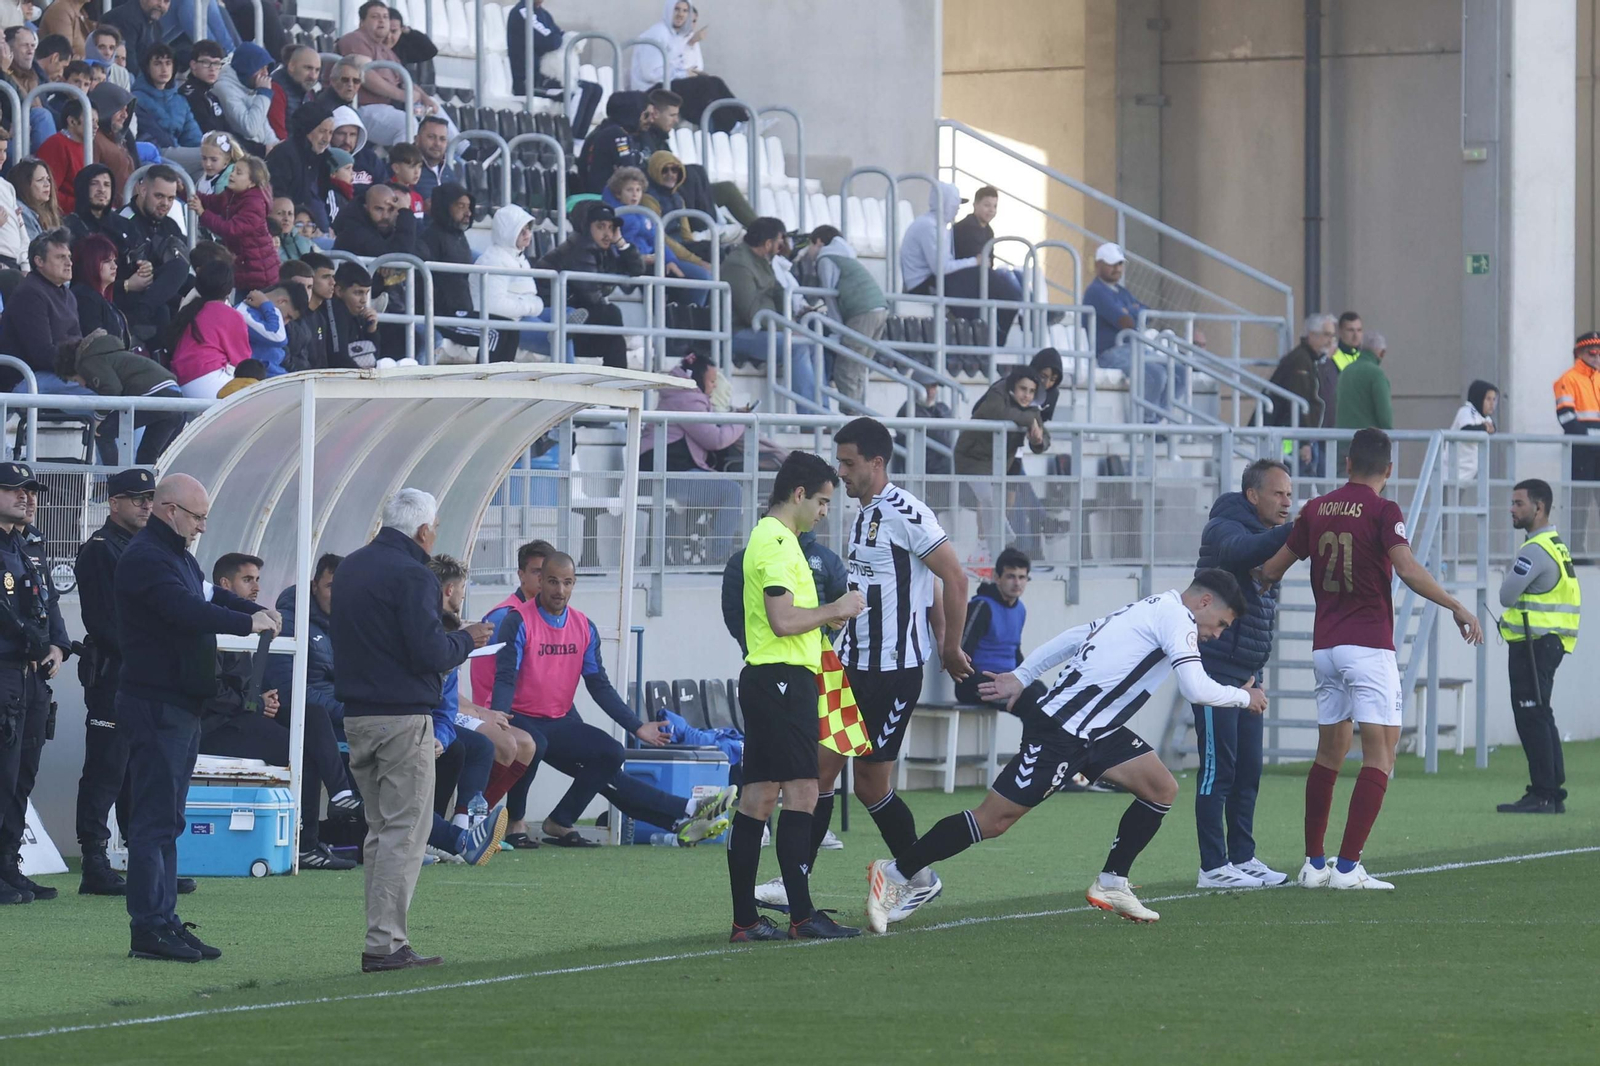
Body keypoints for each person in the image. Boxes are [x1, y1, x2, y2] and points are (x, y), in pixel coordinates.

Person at [865, 570, 1265, 932]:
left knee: (1161, 787)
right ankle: (898, 872)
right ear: (1205, 602)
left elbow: (1077, 635)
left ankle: (1112, 882)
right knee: (994, 820)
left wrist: (1022, 676)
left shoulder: (1152, 605)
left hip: (1098, 731)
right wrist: (1243, 698)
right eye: (1222, 624)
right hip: (1061, 731)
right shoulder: (1177, 618)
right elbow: (1194, 687)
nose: (1218, 633)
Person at [756, 418, 972, 917]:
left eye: (849, 463)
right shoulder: (863, 513)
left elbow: (953, 578)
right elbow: (927, 587)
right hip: (852, 665)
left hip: (892, 673)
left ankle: (917, 877)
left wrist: (950, 647)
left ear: (877, 462)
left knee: (868, 782)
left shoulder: (905, 512)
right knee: (821, 771)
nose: (841, 471)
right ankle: (798, 883)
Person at [1255, 427, 1484, 891]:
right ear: (1389, 471)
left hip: (1325, 648)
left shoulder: (1315, 509)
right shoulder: (1384, 510)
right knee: (1381, 754)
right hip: (1368, 646)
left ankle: (1313, 864)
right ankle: (1347, 868)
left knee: (1328, 754)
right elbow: (1406, 568)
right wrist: (1456, 605)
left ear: (1346, 464)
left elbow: (1270, 571)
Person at [115, 473, 280, 959]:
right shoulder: (147, 558)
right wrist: (246, 622)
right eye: (198, 516)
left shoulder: (175, 555)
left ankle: (162, 920)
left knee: (168, 818)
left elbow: (207, 594)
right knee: (154, 821)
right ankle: (148, 927)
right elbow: (185, 609)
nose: (203, 526)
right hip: (156, 702)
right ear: (170, 511)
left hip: (178, 704)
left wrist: (252, 608)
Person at [334, 488, 491, 972]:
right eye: (435, 529)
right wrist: (466, 638)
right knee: (405, 833)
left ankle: (382, 938)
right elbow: (429, 655)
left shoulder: (351, 567)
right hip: (403, 718)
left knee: (381, 831)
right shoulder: (415, 575)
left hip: (357, 715)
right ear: (424, 531)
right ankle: (385, 943)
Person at [487, 550, 735, 847]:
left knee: (612, 755)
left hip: (560, 721)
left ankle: (566, 820)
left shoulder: (584, 627)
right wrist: (499, 715)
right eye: (553, 582)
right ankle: (517, 822)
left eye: (567, 583)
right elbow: (505, 677)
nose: (560, 590)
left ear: (574, 583)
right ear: (540, 581)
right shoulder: (517, 621)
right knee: (535, 746)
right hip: (523, 718)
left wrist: (636, 726)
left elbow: (599, 685)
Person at [724, 452, 865, 942]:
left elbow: (785, 617)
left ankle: (746, 919)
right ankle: (802, 917)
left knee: (760, 796)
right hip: (782, 679)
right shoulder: (779, 543)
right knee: (802, 791)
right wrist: (835, 608)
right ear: (799, 494)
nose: (826, 511)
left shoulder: (774, 539)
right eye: (823, 501)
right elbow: (783, 622)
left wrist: (826, 615)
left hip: (773, 678)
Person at [200, 552, 361, 871]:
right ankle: (308, 845)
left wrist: (262, 699)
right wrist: (257, 702)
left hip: (244, 716)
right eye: (248, 580)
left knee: (310, 716)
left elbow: (247, 685)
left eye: (258, 580)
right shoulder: (211, 623)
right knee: (299, 747)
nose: (256, 588)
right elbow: (210, 691)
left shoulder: (251, 625)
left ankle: (341, 792)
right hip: (216, 727)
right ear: (223, 584)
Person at [1190, 458, 1295, 889]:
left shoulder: (1265, 536)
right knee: (1220, 769)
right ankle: (1212, 866)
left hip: (1249, 671)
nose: (1287, 502)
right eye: (1278, 493)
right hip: (1216, 670)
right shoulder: (1224, 528)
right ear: (1252, 495)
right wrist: (1294, 532)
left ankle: (1242, 857)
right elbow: (1241, 553)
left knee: (1249, 769)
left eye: (1290, 494)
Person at [72, 467, 157, 897]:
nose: (145, 504)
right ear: (113, 502)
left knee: (136, 772)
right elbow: (106, 623)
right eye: (136, 497)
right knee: (106, 770)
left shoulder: (141, 547)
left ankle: (144, 863)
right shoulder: (102, 550)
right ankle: (94, 862)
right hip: (115, 675)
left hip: (139, 675)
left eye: (150, 497)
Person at [0, 462, 72, 905]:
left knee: (21, 777)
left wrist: (57, 647)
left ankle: (9, 866)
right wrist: (33, 641)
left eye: (31, 492)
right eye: (14, 490)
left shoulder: (26, 547)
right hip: (6, 671)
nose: (27, 498)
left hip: (30, 679)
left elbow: (50, 605)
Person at [1495, 479, 1577, 815]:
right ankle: (1552, 792)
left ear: (1538, 507)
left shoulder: (1534, 550)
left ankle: (1543, 793)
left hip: (1534, 644)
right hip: (1551, 642)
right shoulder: (1557, 545)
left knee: (1531, 715)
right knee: (1541, 714)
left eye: (1518, 503)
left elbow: (1506, 595)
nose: (1512, 510)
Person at [470, 538, 553, 848]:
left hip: (528, 707)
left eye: (550, 574)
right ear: (521, 575)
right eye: (537, 572)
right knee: (535, 744)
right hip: (496, 706)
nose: (544, 580)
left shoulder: (546, 614)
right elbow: (492, 676)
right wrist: (491, 710)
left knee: (600, 751)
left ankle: (503, 819)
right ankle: (497, 819)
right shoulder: (507, 615)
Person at [638, 351, 743, 559]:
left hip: (662, 474)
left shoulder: (680, 395)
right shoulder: (687, 399)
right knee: (732, 491)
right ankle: (719, 557)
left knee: (721, 486)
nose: (714, 386)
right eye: (712, 381)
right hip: (662, 477)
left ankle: (700, 552)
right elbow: (716, 440)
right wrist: (743, 420)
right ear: (696, 379)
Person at [900, 182, 1024, 345]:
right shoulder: (929, 227)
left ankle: (990, 334)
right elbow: (941, 268)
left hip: (933, 279)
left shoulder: (940, 226)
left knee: (988, 280)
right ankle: (984, 337)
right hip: (922, 285)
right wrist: (975, 261)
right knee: (983, 277)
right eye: (954, 204)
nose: (957, 208)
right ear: (944, 204)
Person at [532, 201, 643, 368]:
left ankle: (614, 390)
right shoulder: (579, 249)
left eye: (611, 227)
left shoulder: (602, 251)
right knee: (611, 314)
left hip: (577, 315)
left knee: (616, 342)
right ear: (586, 228)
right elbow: (591, 296)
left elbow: (636, 270)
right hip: (552, 316)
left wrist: (620, 241)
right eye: (601, 227)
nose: (607, 233)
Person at [1083, 241, 1183, 423]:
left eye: (1120, 263)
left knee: (1179, 372)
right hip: (1109, 352)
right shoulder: (1096, 292)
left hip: (1133, 347)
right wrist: (1133, 311)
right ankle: (1147, 423)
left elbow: (1148, 314)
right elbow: (1127, 322)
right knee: (1156, 374)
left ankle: (1156, 420)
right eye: (1112, 263)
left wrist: (1132, 312)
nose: (1117, 268)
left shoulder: (1121, 292)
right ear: (1098, 265)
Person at [727, 216, 820, 405]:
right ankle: (811, 417)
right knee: (796, 346)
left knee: (813, 343)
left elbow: (779, 293)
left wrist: (791, 323)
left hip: (767, 330)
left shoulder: (763, 261)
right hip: (740, 333)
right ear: (768, 243)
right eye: (780, 242)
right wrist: (784, 328)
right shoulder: (739, 264)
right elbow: (751, 313)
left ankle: (823, 412)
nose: (782, 246)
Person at [954, 366, 1050, 548]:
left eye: (1031, 391)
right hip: (972, 457)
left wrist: (1038, 440)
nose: (1027, 395)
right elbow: (999, 413)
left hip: (1000, 464)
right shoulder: (998, 392)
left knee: (1001, 504)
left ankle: (995, 547)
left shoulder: (1032, 407)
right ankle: (985, 547)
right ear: (1014, 386)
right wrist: (1030, 421)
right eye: (1023, 389)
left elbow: (1044, 437)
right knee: (987, 498)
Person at [338, 1, 456, 148]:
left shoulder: (386, 50)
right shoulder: (355, 39)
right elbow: (366, 76)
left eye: (385, 17)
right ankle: (403, 168)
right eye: (375, 17)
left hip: (386, 108)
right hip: (360, 107)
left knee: (434, 118)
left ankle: (463, 150)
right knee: (406, 123)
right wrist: (403, 96)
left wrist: (426, 99)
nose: (381, 20)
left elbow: (403, 79)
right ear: (362, 22)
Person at [418, 182, 514, 362]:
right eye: (461, 206)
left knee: (510, 329)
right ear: (445, 207)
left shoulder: (459, 236)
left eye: (469, 207)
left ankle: (503, 384)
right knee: (494, 332)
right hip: (441, 314)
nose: (468, 212)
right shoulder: (430, 238)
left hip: (460, 310)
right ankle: (486, 384)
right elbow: (422, 279)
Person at [57, 330, 186, 464]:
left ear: (76, 370)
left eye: (76, 380)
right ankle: (145, 484)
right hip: (175, 397)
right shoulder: (112, 354)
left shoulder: (87, 362)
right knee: (147, 456)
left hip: (155, 394)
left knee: (102, 433)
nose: (82, 385)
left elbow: (112, 389)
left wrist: (98, 418)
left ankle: (116, 481)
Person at [805, 225, 888, 407]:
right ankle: (858, 415)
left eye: (809, 245)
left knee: (846, 368)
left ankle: (852, 419)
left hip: (861, 312)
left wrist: (837, 330)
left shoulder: (825, 258)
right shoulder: (846, 256)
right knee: (858, 367)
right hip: (879, 309)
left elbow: (830, 296)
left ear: (818, 241)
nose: (808, 251)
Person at [111, 164, 192, 351]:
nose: (165, 204)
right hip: (128, 293)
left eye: (171, 198)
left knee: (200, 286)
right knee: (176, 274)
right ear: (142, 189)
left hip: (159, 294)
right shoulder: (122, 220)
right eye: (159, 196)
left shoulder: (170, 225)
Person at [631, 1, 744, 134]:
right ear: (668, 11)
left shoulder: (677, 35)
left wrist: (690, 70)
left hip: (668, 85)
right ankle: (734, 127)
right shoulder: (657, 34)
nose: (680, 15)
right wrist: (684, 74)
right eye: (677, 10)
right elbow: (650, 73)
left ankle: (743, 121)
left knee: (714, 84)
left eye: (685, 11)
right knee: (706, 86)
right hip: (650, 90)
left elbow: (686, 65)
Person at [0, 230, 83, 393]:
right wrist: (79, 372)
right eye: (60, 257)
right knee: (100, 392)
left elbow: (77, 343)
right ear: (39, 261)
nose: (69, 263)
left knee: (110, 385)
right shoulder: (29, 294)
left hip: (56, 373)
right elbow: (42, 354)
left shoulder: (69, 295)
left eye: (69, 256)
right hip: (26, 379)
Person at [167, 242, 249, 399]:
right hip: (208, 380)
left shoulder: (190, 304)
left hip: (182, 380)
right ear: (229, 286)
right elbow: (242, 361)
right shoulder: (228, 313)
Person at [506, 0, 599, 134]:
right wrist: (559, 38)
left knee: (595, 89)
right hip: (529, 82)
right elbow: (550, 41)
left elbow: (560, 36)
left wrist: (559, 38)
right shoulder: (523, 12)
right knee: (579, 91)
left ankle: (578, 141)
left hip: (545, 79)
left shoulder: (544, 14)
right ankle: (568, 139)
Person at [190, 155, 279, 293]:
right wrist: (184, 190)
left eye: (239, 173)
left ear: (251, 183)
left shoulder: (254, 203)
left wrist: (202, 213)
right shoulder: (232, 195)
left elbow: (231, 229)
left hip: (260, 272)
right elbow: (210, 202)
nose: (232, 175)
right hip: (244, 266)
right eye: (233, 170)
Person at [956, 547, 1030, 707]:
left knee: (1047, 698)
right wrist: (982, 683)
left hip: (1008, 680)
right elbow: (962, 652)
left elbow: (1014, 650)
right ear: (997, 577)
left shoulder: (1020, 609)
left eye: (1022, 577)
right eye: (1011, 576)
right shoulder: (982, 606)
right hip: (978, 684)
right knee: (1031, 703)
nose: (1017, 583)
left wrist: (1026, 676)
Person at [1267, 312, 1334, 471]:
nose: (1330, 340)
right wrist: (1303, 442)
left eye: (1332, 335)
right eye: (1326, 335)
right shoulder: (1301, 361)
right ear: (1312, 335)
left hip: (1299, 437)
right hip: (1292, 439)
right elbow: (1299, 401)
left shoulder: (1309, 359)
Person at [1554, 332, 1600, 558]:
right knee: (1579, 504)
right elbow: (1566, 418)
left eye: (1599, 352)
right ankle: (1577, 553)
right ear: (1579, 353)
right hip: (1581, 451)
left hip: (1597, 450)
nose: (1596, 356)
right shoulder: (1568, 380)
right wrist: (1591, 439)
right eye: (1592, 352)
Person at [266, 100, 334, 232]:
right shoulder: (284, 155)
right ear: (307, 130)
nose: (327, 139)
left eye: (331, 132)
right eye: (322, 131)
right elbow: (277, 197)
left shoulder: (320, 158)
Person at [132, 43, 201, 150]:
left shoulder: (180, 100)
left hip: (180, 152)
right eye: (157, 64)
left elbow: (192, 136)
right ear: (147, 68)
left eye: (168, 63)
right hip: (154, 152)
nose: (164, 69)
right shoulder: (136, 99)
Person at [213, 42, 277, 157]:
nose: (266, 74)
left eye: (266, 68)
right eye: (261, 68)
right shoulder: (224, 88)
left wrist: (275, 145)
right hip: (241, 155)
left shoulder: (250, 87)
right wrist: (263, 95)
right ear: (247, 68)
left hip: (259, 152)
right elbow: (249, 129)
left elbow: (265, 128)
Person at [1334, 330, 1392, 432]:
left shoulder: (1345, 371)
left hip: (1342, 440)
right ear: (1382, 353)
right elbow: (1384, 414)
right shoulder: (1376, 374)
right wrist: (1390, 433)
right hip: (1368, 441)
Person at [268, 43, 320, 142]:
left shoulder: (307, 91)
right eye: (308, 68)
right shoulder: (276, 88)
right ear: (291, 66)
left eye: (317, 70)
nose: (313, 76)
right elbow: (279, 135)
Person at [1449, 379, 1497, 484]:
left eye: (1494, 399)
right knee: (1447, 500)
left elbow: (1492, 427)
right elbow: (1467, 429)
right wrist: (1484, 428)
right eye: (1488, 399)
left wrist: (1489, 428)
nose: (1492, 404)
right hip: (1451, 471)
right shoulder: (1467, 411)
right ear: (1479, 398)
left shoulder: (1483, 416)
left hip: (1466, 474)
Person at [179, 39, 229, 139]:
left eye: (216, 63)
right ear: (193, 65)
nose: (212, 68)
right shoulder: (191, 95)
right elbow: (209, 132)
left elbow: (226, 130)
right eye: (206, 62)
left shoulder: (210, 94)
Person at [329, 105, 386, 187]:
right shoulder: (323, 159)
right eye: (341, 134)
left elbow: (384, 188)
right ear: (331, 134)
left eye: (352, 134)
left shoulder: (370, 159)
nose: (347, 140)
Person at [63, 163, 121, 244]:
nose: (102, 189)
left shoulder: (123, 226)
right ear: (82, 187)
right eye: (94, 183)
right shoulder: (67, 229)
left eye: (107, 185)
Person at [9, 159, 63, 243]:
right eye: (40, 180)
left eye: (48, 179)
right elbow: (34, 251)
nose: (47, 184)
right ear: (24, 185)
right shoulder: (22, 212)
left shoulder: (48, 214)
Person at [412, 115, 459, 208]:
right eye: (431, 137)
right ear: (417, 139)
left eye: (442, 139)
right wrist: (422, 207)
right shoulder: (406, 167)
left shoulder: (447, 171)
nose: (437, 143)